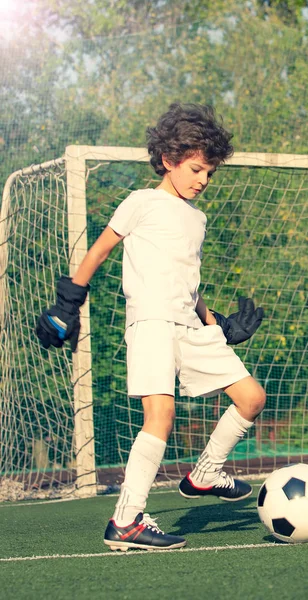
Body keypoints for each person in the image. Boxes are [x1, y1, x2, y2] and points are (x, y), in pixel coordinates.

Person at [36, 103, 266, 551]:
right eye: (197, 169)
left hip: (189, 326)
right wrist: (68, 303)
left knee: (252, 397)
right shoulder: (141, 203)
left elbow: (188, 285)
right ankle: (126, 522)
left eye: (209, 173)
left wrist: (218, 324)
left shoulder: (197, 219)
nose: (203, 180)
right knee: (160, 415)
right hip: (152, 325)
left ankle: (204, 473)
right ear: (168, 160)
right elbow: (100, 250)